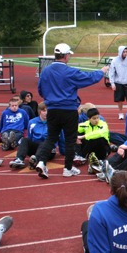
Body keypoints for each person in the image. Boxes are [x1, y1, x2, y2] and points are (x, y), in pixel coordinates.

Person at [35, 42, 108, 179]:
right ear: (66, 56)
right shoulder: (69, 71)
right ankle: (67, 168)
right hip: (68, 110)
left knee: (51, 138)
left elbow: (40, 89)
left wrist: (51, 99)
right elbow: (88, 78)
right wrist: (101, 72)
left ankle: (41, 161)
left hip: (53, 110)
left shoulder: (46, 71)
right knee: (70, 140)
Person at [9, 102, 65, 169]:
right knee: (24, 140)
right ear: (40, 111)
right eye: (44, 111)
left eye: (48, 111)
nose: (46, 113)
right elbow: (30, 137)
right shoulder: (32, 122)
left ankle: (36, 160)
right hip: (36, 148)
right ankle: (19, 159)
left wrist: (64, 151)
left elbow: (61, 139)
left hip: (48, 150)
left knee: (45, 143)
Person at [109, 45, 127, 120]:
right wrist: (112, 83)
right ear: (120, 52)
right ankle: (120, 113)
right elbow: (111, 72)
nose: (125, 53)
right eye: (124, 52)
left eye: (126, 52)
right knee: (119, 99)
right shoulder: (114, 61)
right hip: (118, 82)